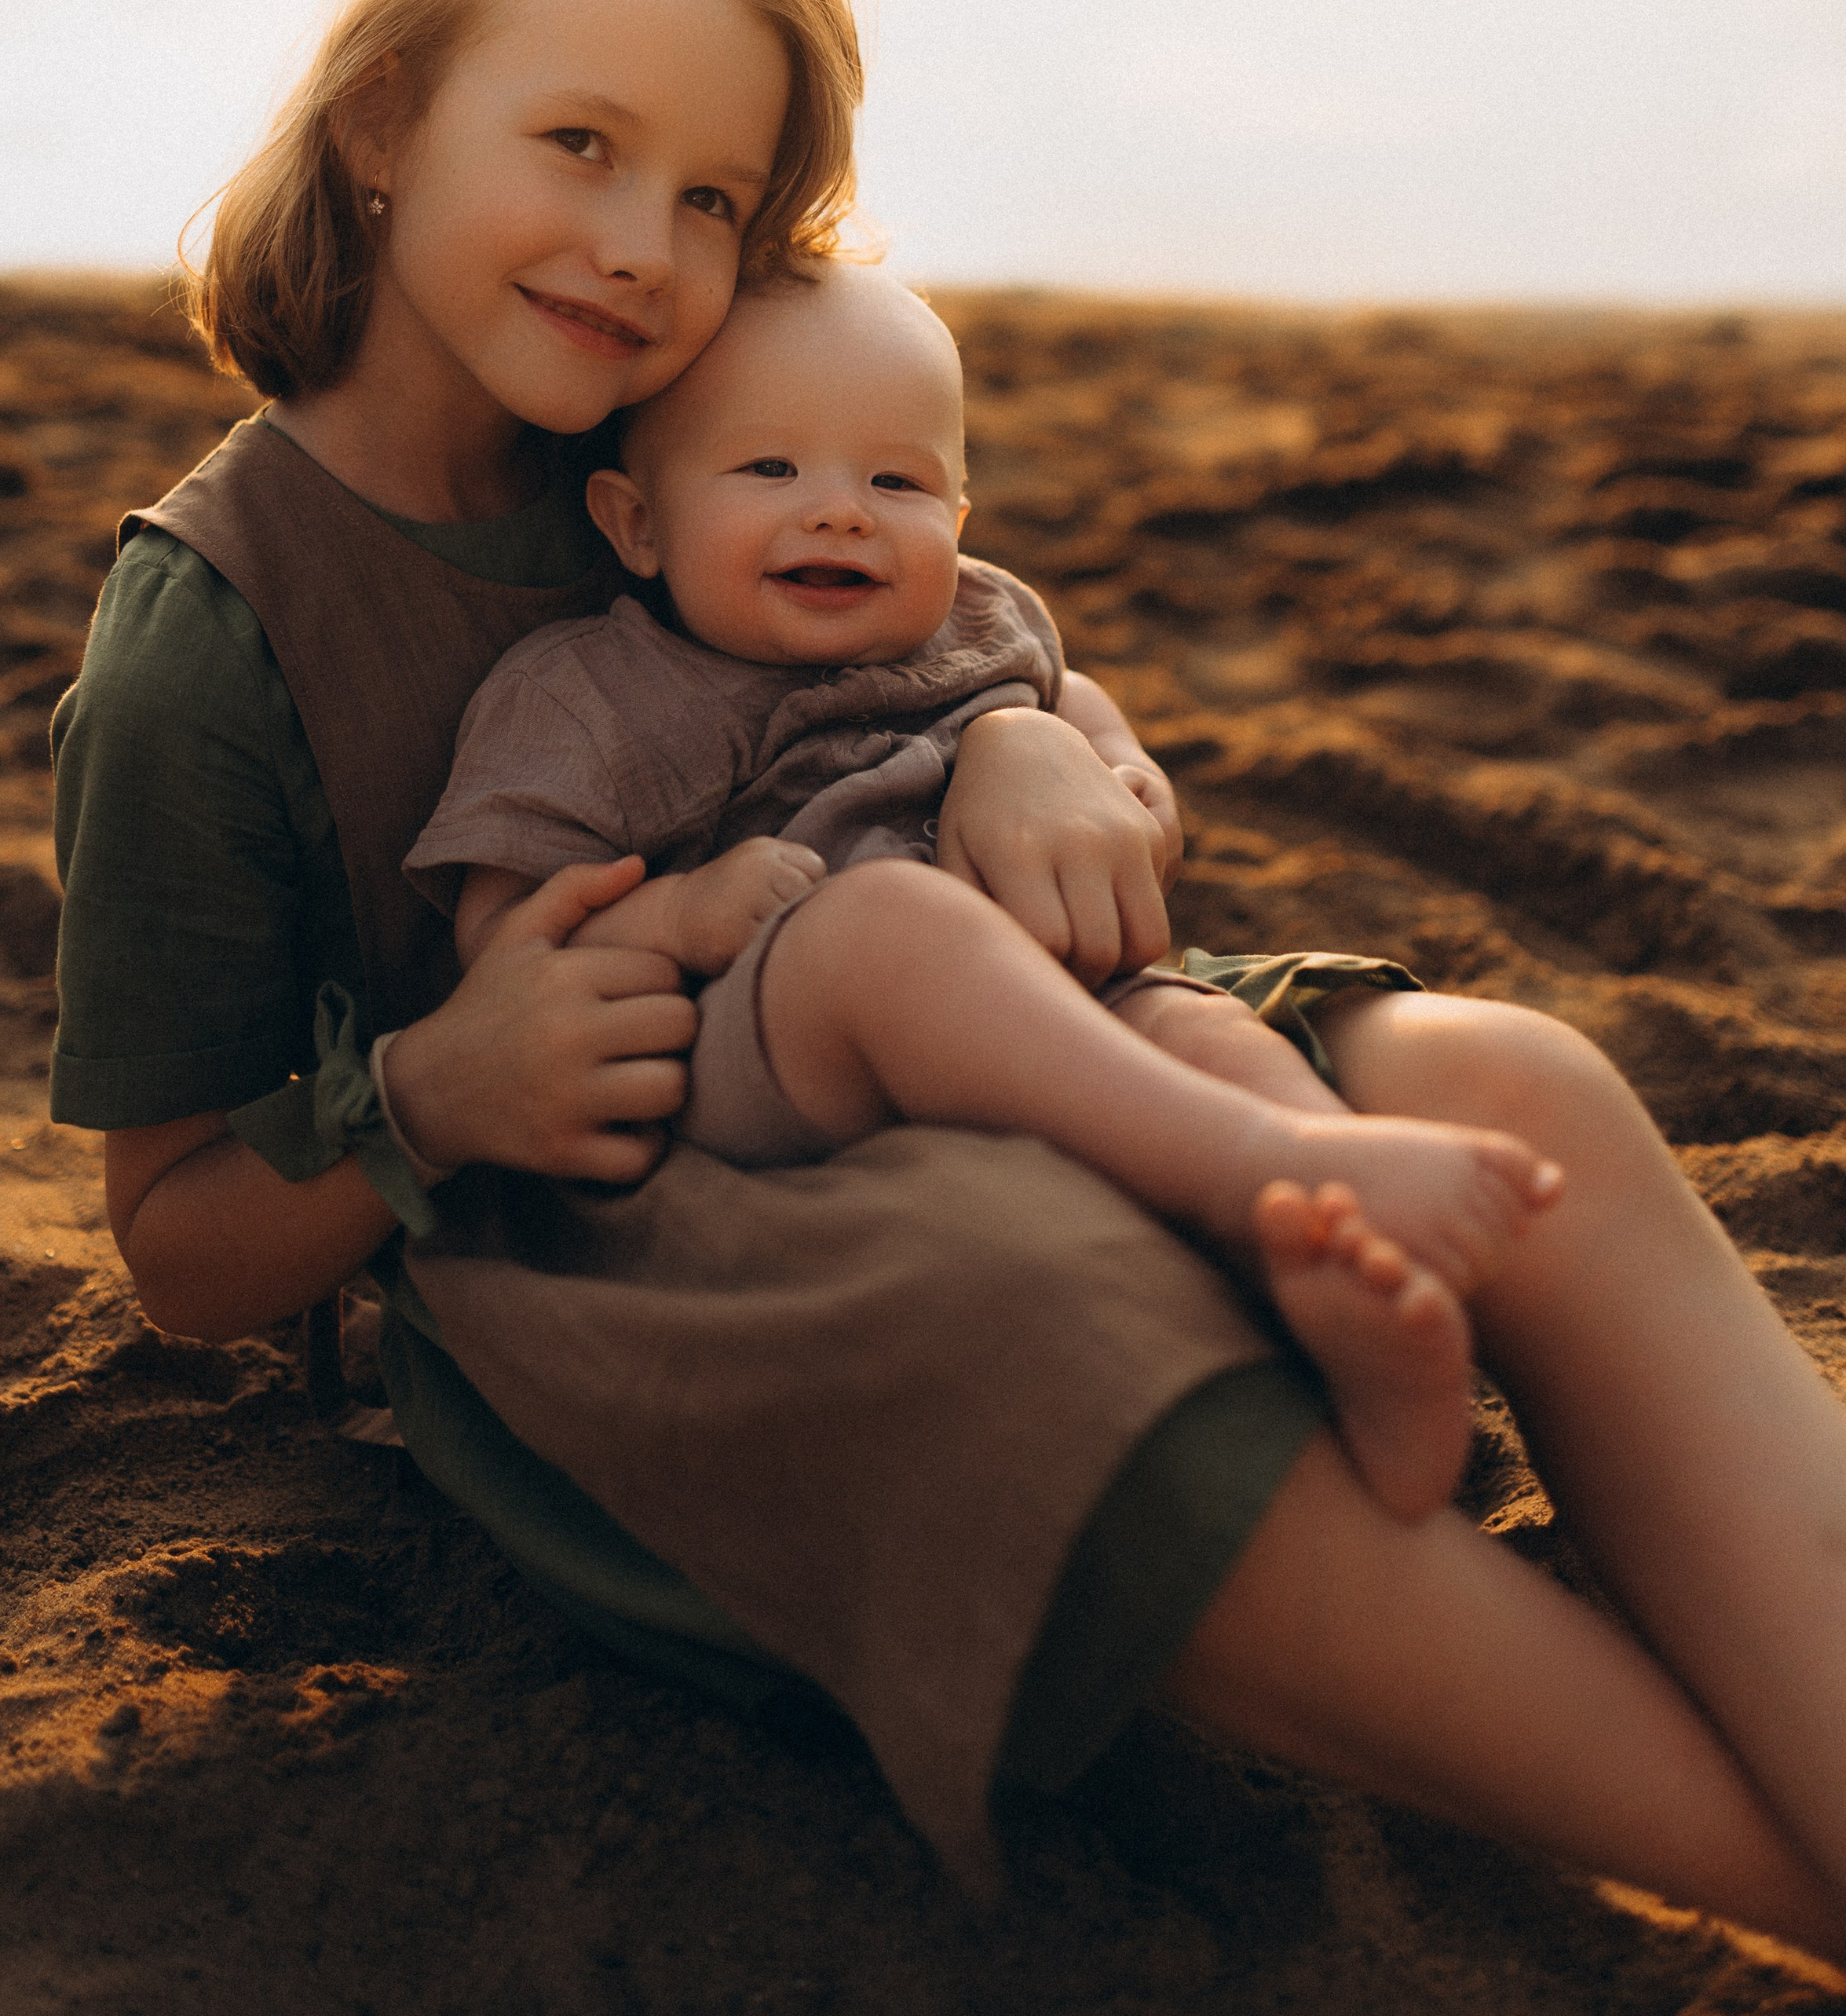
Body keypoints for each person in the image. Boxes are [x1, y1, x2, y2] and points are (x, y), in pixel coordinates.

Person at [50, 0, 1846, 1953]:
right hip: (618, 1224)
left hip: (983, 1009)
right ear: (381, 118)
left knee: (1517, 1081)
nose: (641, 248)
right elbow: (175, 1245)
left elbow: (949, 611)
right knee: (1056, 1330)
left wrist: (1038, 739)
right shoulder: (207, 637)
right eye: (579, 143)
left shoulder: (686, 406)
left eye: (709, 198)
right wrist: (438, 1091)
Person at [406, 262, 1563, 1529]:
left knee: (1193, 1023)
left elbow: (1096, 731)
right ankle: (1264, 1170)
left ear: (959, 512)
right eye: (770, 471)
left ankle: (1335, 1243)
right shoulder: (590, 694)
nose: (841, 514)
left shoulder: (981, 623)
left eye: (895, 481)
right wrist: (680, 917)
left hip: (1033, 1004)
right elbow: (501, 944)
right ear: (636, 523)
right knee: (891, 928)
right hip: (752, 1055)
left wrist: (1121, 780)